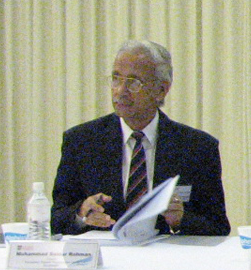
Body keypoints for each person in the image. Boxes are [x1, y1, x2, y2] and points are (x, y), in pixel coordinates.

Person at [52, 40, 229, 236]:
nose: (120, 91)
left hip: (166, 254)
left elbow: (218, 227)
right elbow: (56, 219)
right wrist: (80, 213)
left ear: (161, 90)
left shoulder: (198, 147)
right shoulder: (81, 141)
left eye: (133, 82)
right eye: (116, 79)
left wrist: (180, 220)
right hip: (104, 253)